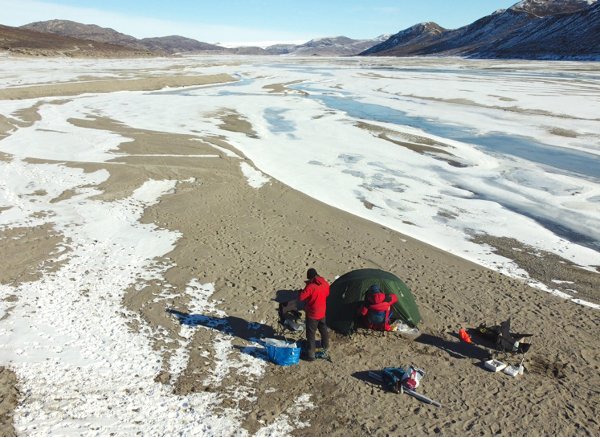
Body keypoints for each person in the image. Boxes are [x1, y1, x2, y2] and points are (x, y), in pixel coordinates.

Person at [298, 268, 330, 361]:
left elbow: (301, 297)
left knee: (311, 334)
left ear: (310, 278)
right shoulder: (324, 282)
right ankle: (325, 346)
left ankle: (311, 355)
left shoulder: (311, 287)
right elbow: (327, 293)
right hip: (322, 312)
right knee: (323, 329)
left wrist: (303, 290)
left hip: (312, 314)